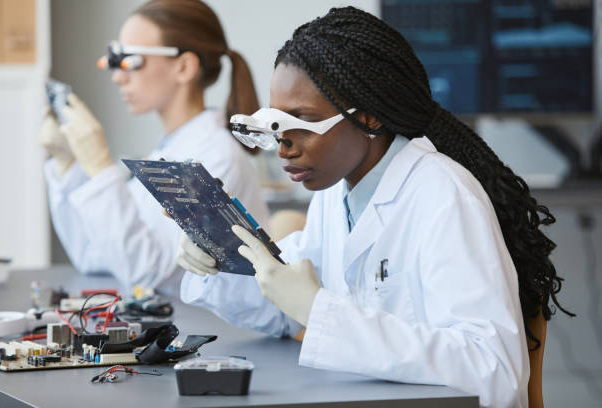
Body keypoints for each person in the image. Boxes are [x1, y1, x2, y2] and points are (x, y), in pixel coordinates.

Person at [177, 7, 572, 407]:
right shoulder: (335, 194)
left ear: (368, 118)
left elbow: (495, 372)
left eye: (303, 121)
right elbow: (284, 309)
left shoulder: (444, 196)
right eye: (278, 124)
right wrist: (221, 257)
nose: (284, 145)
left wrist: (320, 312)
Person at [40, 0, 269, 294]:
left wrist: (99, 167)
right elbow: (94, 256)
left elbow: (150, 273)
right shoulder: (172, 147)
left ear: (184, 67)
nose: (118, 76)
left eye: (131, 61)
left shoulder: (215, 156)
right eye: (115, 61)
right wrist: (67, 163)